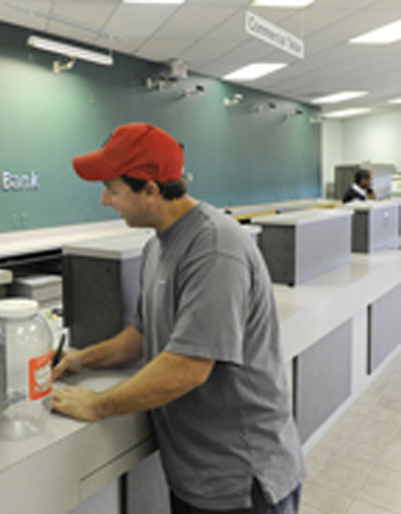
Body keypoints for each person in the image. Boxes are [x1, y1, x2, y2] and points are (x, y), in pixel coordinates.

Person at [52, 123, 305, 513]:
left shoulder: (215, 247)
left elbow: (189, 366)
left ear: (150, 190)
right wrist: (81, 358)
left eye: (113, 189)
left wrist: (98, 404)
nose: (105, 200)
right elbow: (142, 333)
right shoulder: (158, 246)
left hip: (241, 481)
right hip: (196, 475)